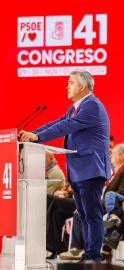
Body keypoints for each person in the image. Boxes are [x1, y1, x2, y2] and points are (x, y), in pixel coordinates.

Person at [19, 70, 111, 262]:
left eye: (70, 83)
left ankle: (93, 256)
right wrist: (31, 135)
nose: (67, 86)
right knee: (84, 215)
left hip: (91, 169)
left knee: (91, 214)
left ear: (83, 86)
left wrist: (38, 137)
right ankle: (90, 254)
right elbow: (59, 122)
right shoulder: (75, 107)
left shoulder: (92, 105)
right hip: (79, 170)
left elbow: (67, 126)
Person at [60, 143, 124, 261]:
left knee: (86, 212)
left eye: (114, 153)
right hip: (103, 203)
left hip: (114, 207)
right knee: (78, 213)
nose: (110, 156)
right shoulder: (114, 170)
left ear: (122, 156)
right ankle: (76, 248)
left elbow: (121, 194)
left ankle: (88, 249)